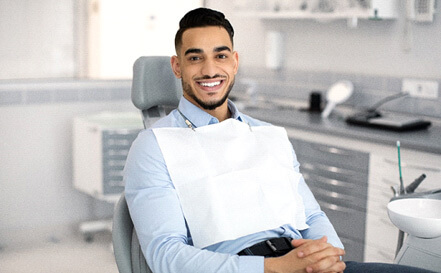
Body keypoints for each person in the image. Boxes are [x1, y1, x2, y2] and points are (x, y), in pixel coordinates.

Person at [124, 7, 434, 273]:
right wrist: (270, 268)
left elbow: (311, 215)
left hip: (301, 263)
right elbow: (165, 254)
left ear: (234, 62)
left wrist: (329, 255)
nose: (210, 69)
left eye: (220, 56)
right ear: (177, 67)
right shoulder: (154, 146)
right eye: (195, 58)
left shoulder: (268, 135)